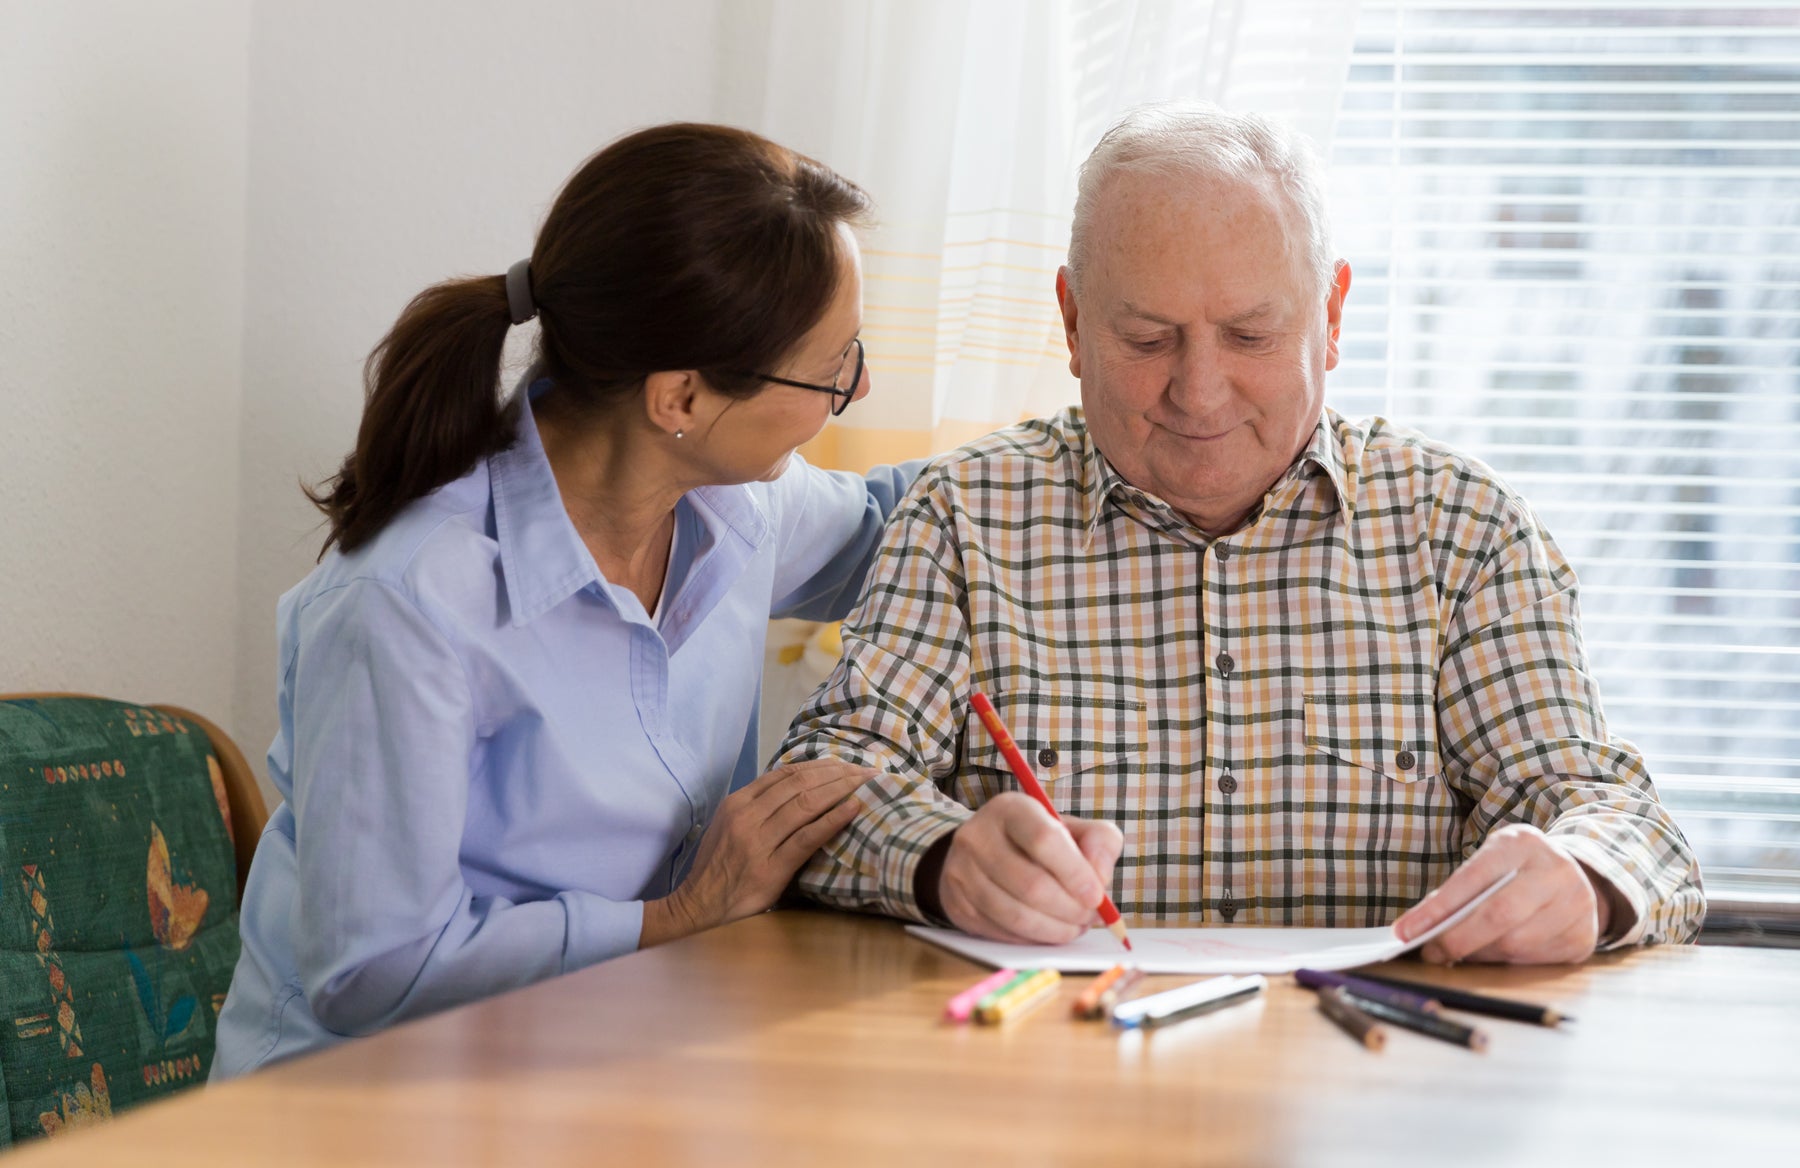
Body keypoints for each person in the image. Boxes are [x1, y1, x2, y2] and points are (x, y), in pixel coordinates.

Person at [777, 101, 1705, 964]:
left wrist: (1582, 881)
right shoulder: (963, 518)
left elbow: (1614, 814)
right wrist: (939, 860)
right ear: (1070, 320)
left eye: (1252, 336)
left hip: (1371, 1078)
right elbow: (818, 792)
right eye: (1147, 339)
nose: (1200, 391)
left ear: (1332, 317)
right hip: (1049, 1074)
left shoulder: (1460, 533)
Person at [212, 124, 921, 1076]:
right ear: (679, 400)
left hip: (595, 1073)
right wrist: (676, 919)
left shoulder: (735, 501)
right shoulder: (410, 599)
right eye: (834, 369)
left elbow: (907, 531)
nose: (860, 385)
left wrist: (1105, 429)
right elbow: (374, 967)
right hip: (366, 1113)